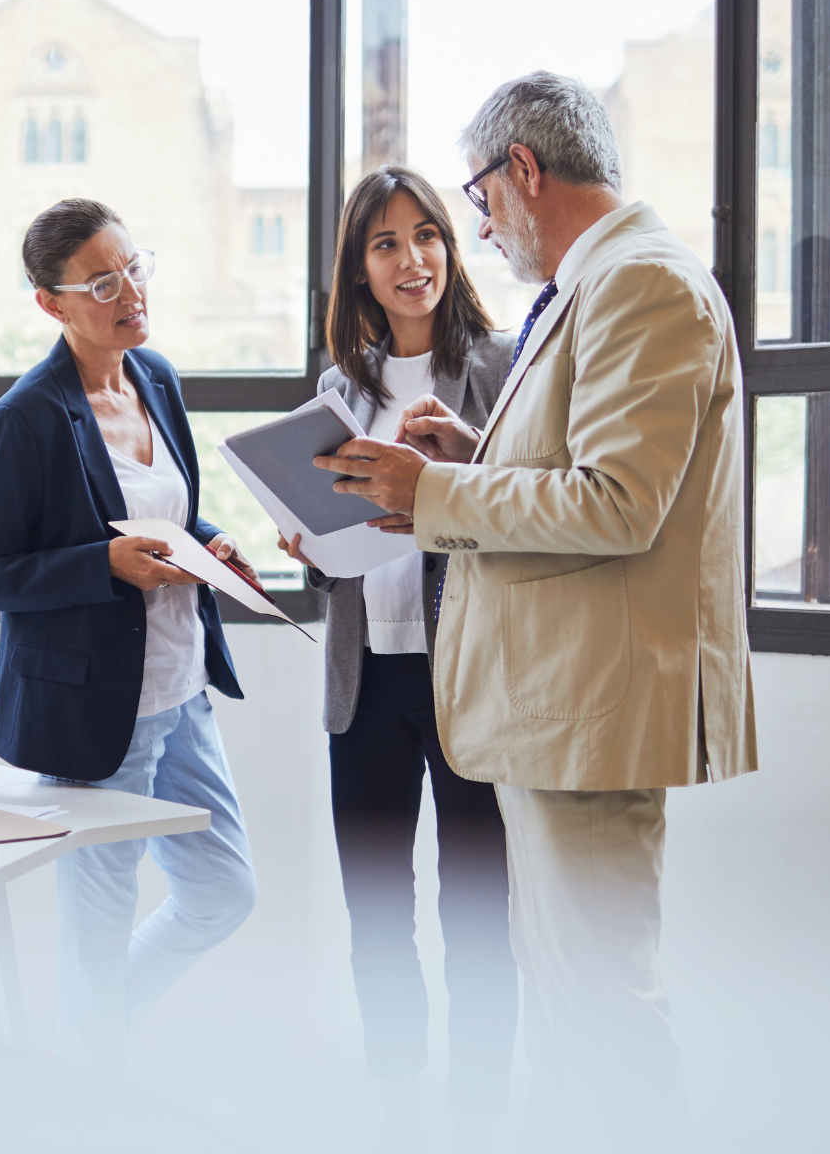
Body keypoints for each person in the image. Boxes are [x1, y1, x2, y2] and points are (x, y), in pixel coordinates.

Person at [314, 73, 757, 1149]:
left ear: (522, 170)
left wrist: (436, 495)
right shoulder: (590, 287)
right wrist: (471, 456)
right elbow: (578, 470)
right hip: (554, 710)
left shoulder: (640, 284)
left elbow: (617, 503)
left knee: (601, 1003)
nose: (479, 229)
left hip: (590, 709)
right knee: (567, 1007)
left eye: (475, 199)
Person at [0, 198, 257, 1072]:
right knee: (94, 935)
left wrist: (211, 542)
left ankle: (88, 1037)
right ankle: (86, 1090)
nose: (129, 292)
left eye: (133, 267)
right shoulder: (28, 418)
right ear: (51, 303)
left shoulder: (154, 376)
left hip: (183, 688)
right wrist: (104, 565)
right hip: (95, 716)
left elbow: (172, 513)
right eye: (101, 282)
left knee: (223, 891)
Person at [276, 166, 517, 1135]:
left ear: (449, 249)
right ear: (359, 270)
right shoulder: (339, 390)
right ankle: (393, 1100)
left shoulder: (499, 369)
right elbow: (338, 535)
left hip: (468, 676)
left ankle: (476, 1110)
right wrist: (308, 545)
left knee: (477, 910)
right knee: (375, 906)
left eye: (425, 235)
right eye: (384, 244)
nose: (410, 258)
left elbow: (524, 511)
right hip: (363, 676)